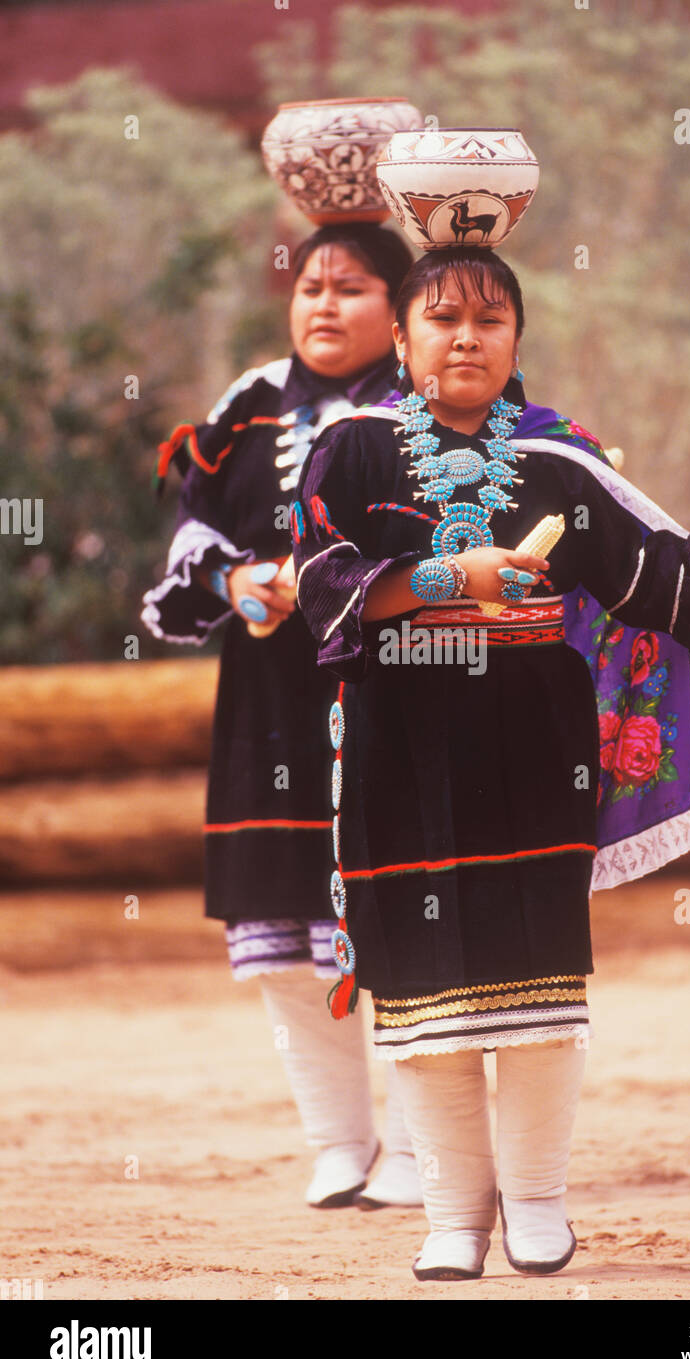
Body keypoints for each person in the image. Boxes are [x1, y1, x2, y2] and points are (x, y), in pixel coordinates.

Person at [291, 245, 690, 1278]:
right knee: (421, 998)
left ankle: (537, 1204)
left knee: (536, 988)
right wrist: (451, 572)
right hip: (398, 744)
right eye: (440, 319)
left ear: (515, 344)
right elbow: (322, 581)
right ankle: (450, 1217)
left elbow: (660, 576)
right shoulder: (348, 454)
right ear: (399, 342)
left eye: (489, 321)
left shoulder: (558, 467)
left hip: (531, 745)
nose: (464, 337)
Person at [141, 223, 424, 1211]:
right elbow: (191, 531)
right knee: (292, 944)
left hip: (402, 697)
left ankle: (424, 1148)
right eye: (309, 287)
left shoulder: (427, 402)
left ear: (399, 308)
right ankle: (339, 1142)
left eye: (351, 288)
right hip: (269, 707)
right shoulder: (250, 407)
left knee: (402, 923)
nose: (323, 305)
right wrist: (236, 575)